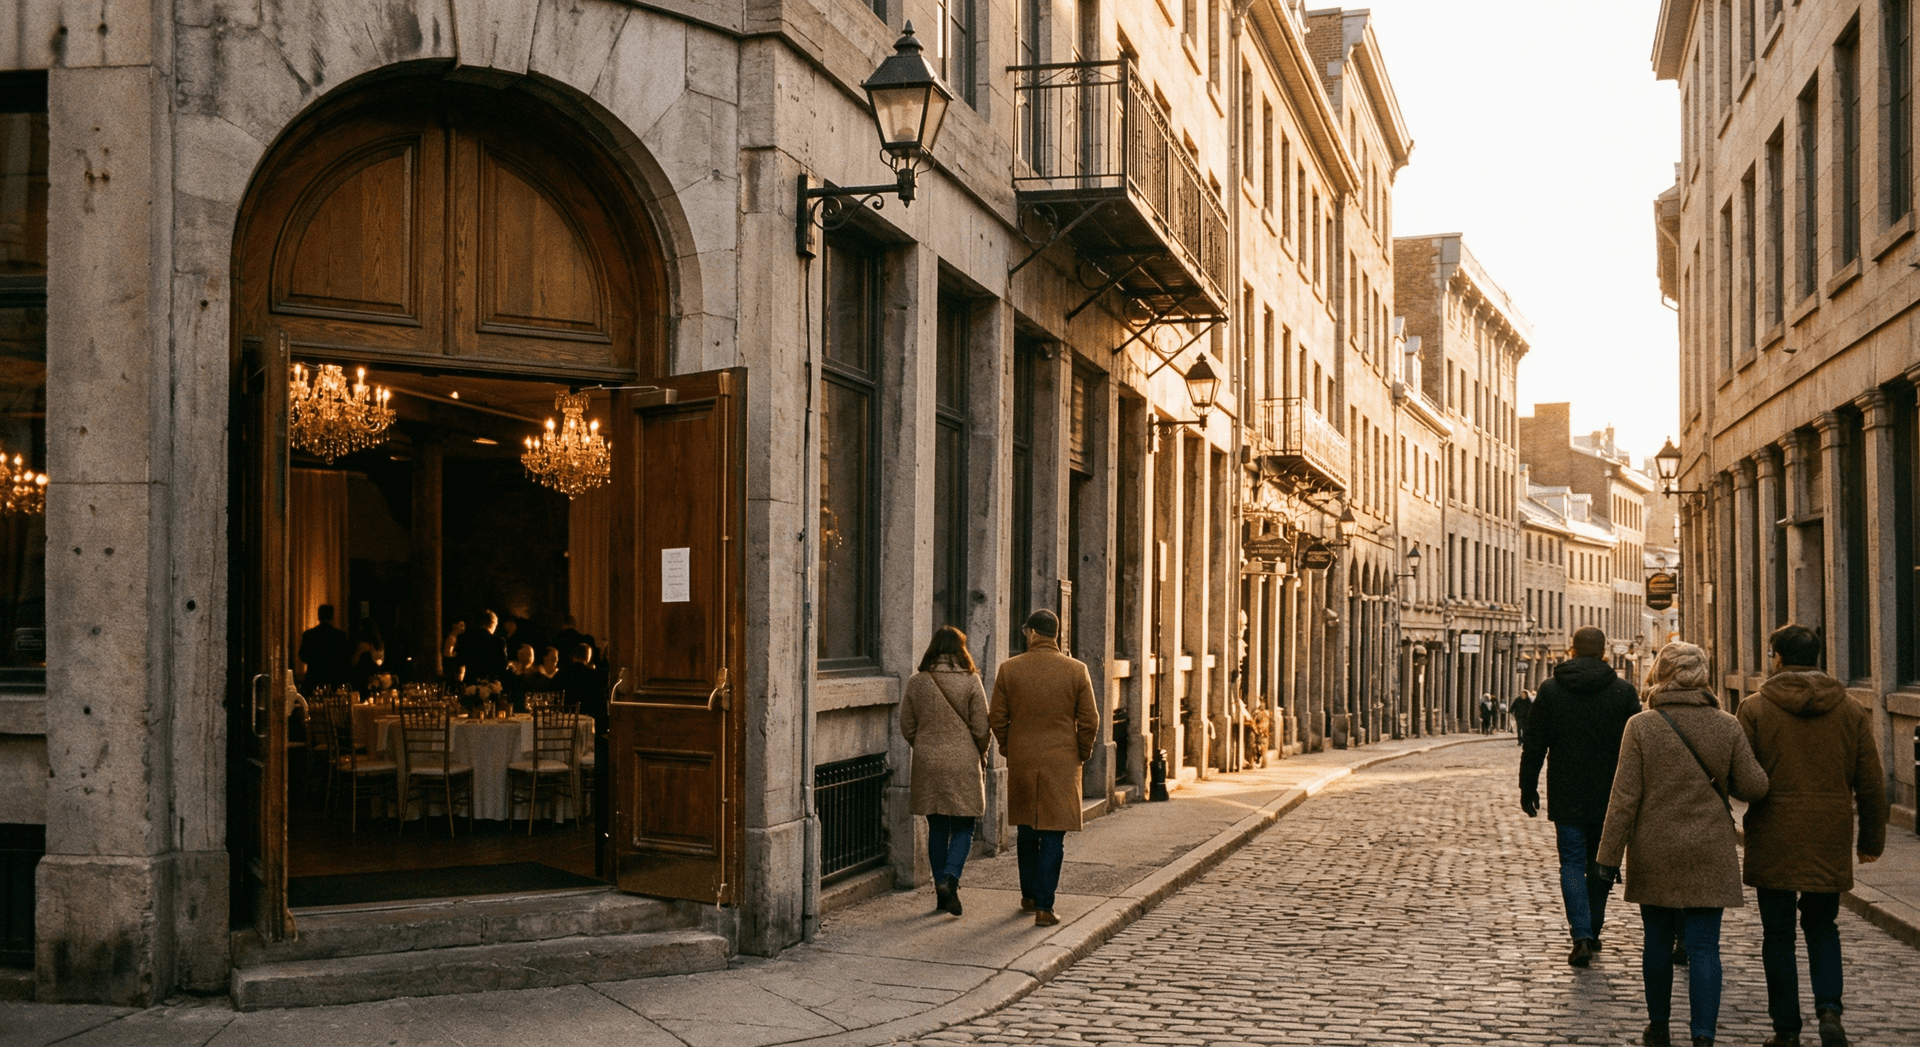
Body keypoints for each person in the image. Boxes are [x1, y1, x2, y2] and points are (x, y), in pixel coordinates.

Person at [1595, 642, 1768, 1047]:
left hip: (1655, 850)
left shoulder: (1641, 726)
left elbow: (1624, 798)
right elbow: (1754, 786)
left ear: (1661, 674)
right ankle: (1703, 1035)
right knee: (1704, 945)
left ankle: (1658, 1027)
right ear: (1703, 675)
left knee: (1657, 941)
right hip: (1710, 849)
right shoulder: (1727, 725)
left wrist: (1607, 857)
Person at [1739, 624, 1888, 1047]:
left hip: (1774, 834)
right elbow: (1871, 784)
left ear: (1778, 658)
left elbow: (1742, 778)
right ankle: (1829, 1011)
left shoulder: (1755, 709)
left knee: (1778, 935)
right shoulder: (1850, 710)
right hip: (1828, 833)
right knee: (1823, 926)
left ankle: (1786, 1028)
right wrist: (1870, 842)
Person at [1520, 626, 1644, 967]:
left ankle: (1581, 935)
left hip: (1567, 793)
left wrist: (1527, 786)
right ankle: (1594, 929)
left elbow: (1534, 743)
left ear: (1572, 651)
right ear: (1604, 653)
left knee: (1572, 863)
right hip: (1610, 795)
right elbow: (1637, 748)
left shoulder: (1551, 689)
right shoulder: (1623, 691)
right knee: (1601, 862)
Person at [989, 609, 1098, 927]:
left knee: (1026, 831)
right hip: (1062, 762)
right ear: (1055, 635)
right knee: (1052, 835)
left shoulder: (1009, 669)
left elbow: (997, 717)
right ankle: (1044, 907)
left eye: (1026, 632)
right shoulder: (1076, 670)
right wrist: (1081, 752)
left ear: (1033, 633)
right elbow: (1089, 719)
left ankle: (1029, 896)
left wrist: (1009, 747)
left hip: (1023, 760)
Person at [900, 626, 990, 917]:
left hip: (927, 761)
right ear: (961, 650)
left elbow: (907, 725)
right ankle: (951, 877)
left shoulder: (917, 682)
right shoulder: (971, 681)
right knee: (964, 825)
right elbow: (982, 727)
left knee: (937, 827)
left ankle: (941, 891)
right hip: (963, 761)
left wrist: (925, 745)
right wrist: (981, 751)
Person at [297, 604, 352, 690]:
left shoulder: (309, 635)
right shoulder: (340, 635)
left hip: (314, 677)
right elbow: (346, 657)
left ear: (319, 616)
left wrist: (315, 659)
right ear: (332, 617)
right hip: (334, 678)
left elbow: (303, 656)